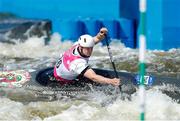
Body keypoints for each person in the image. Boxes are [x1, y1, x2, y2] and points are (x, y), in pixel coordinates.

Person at [54, 27, 120, 86]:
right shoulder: (77, 62)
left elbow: (96, 38)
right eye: (87, 48)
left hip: (60, 70)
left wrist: (101, 34)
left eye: (91, 48)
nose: (89, 51)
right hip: (62, 81)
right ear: (80, 47)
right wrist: (111, 81)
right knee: (95, 80)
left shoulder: (77, 45)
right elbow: (93, 77)